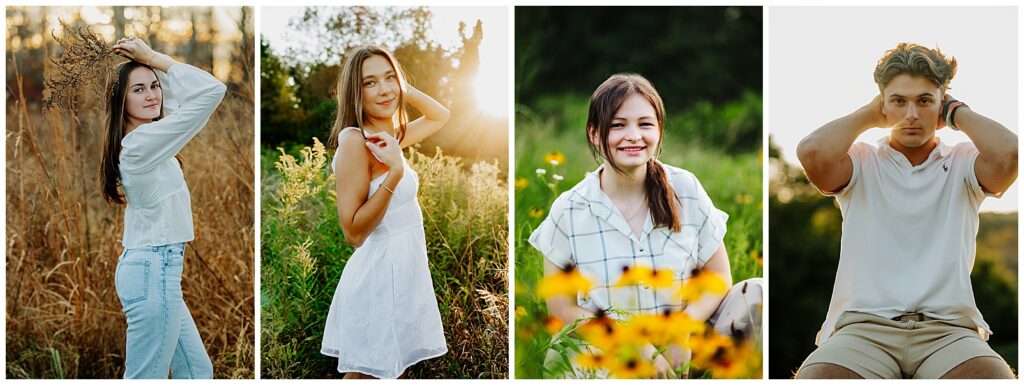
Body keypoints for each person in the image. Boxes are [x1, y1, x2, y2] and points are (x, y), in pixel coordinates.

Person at [795, 43, 1017, 379]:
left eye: (924, 101)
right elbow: (812, 153)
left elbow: (1010, 154)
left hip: (948, 331)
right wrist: (870, 114)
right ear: (883, 102)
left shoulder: (963, 163)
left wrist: (956, 112)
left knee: (993, 377)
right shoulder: (860, 161)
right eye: (899, 101)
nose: (911, 115)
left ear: (941, 104)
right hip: (864, 328)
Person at [529, 73, 762, 379]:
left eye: (645, 124)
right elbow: (560, 310)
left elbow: (719, 277)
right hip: (607, 354)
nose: (634, 135)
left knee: (757, 292)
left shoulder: (685, 188)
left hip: (686, 344)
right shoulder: (570, 209)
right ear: (595, 134)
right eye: (618, 125)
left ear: (659, 131)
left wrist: (681, 330)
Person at [321, 46, 451, 379]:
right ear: (355, 92)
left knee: (393, 372)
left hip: (405, 275)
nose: (384, 89)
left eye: (389, 77)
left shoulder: (387, 136)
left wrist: (401, 88)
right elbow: (353, 233)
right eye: (370, 83)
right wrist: (394, 173)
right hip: (377, 280)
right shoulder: (356, 142)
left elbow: (440, 115)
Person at [103, 37, 226, 379]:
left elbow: (184, 98)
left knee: (197, 370)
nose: (153, 95)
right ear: (120, 100)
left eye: (155, 86)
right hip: (152, 269)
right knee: (147, 376)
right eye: (138, 90)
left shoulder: (149, 137)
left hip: (157, 269)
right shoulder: (142, 144)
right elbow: (212, 91)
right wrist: (154, 57)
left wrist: (152, 65)